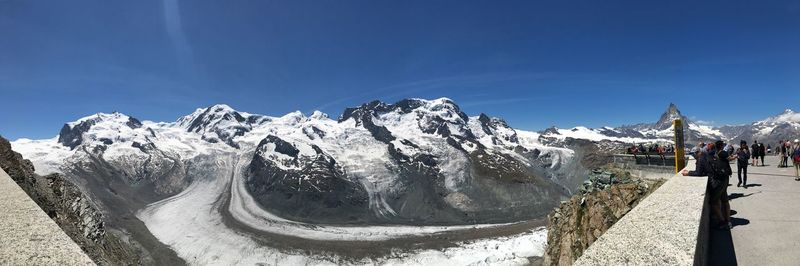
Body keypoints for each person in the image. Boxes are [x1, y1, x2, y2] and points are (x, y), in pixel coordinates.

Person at [703, 141, 733, 230]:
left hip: (719, 180)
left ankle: (722, 222)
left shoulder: (715, 154)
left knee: (714, 202)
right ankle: (728, 221)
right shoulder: (722, 153)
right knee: (725, 200)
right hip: (725, 177)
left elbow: (708, 168)